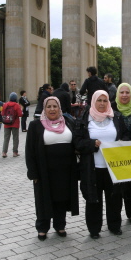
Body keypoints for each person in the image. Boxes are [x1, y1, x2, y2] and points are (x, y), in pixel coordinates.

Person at [25, 96, 83, 241]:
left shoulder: (68, 122)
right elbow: (29, 150)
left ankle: (60, 225)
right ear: (44, 109)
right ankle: (42, 227)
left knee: (62, 198)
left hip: (65, 170)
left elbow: (77, 141)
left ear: (60, 108)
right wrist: (33, 173)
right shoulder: (35, 125)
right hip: (44, 171)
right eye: (49, 107)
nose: (52, 109)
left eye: (55, 106)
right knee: (43, 199)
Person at [75, 90, 128, 239]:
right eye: (99, 100)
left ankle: (114, 225)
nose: (102, 104)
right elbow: (77, 142)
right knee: (93, 199)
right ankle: (94, 228)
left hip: (113, 168)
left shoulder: (116, 117)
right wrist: (92, 144)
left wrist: (120, 144)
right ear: (93, 101)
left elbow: (125, 135)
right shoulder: (85, 118)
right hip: (93, 168)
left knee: (115, 198)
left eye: (105, 101)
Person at [111, 83, 131, 224]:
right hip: (116, 152)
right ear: (117, 94)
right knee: (116, 185)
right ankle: (115, 215)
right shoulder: (111, 108)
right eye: (121, 92)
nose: (124, 95)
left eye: (127, 92)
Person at [1, 92, 23, 158]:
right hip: (15, 124)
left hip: (7, 123)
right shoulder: (16, 105)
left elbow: (2, 113)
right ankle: (15, 152)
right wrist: (21, 109)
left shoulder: (5, 104)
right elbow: (20, 114)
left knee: (6, 138)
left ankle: (4, 152)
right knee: (15, 138)